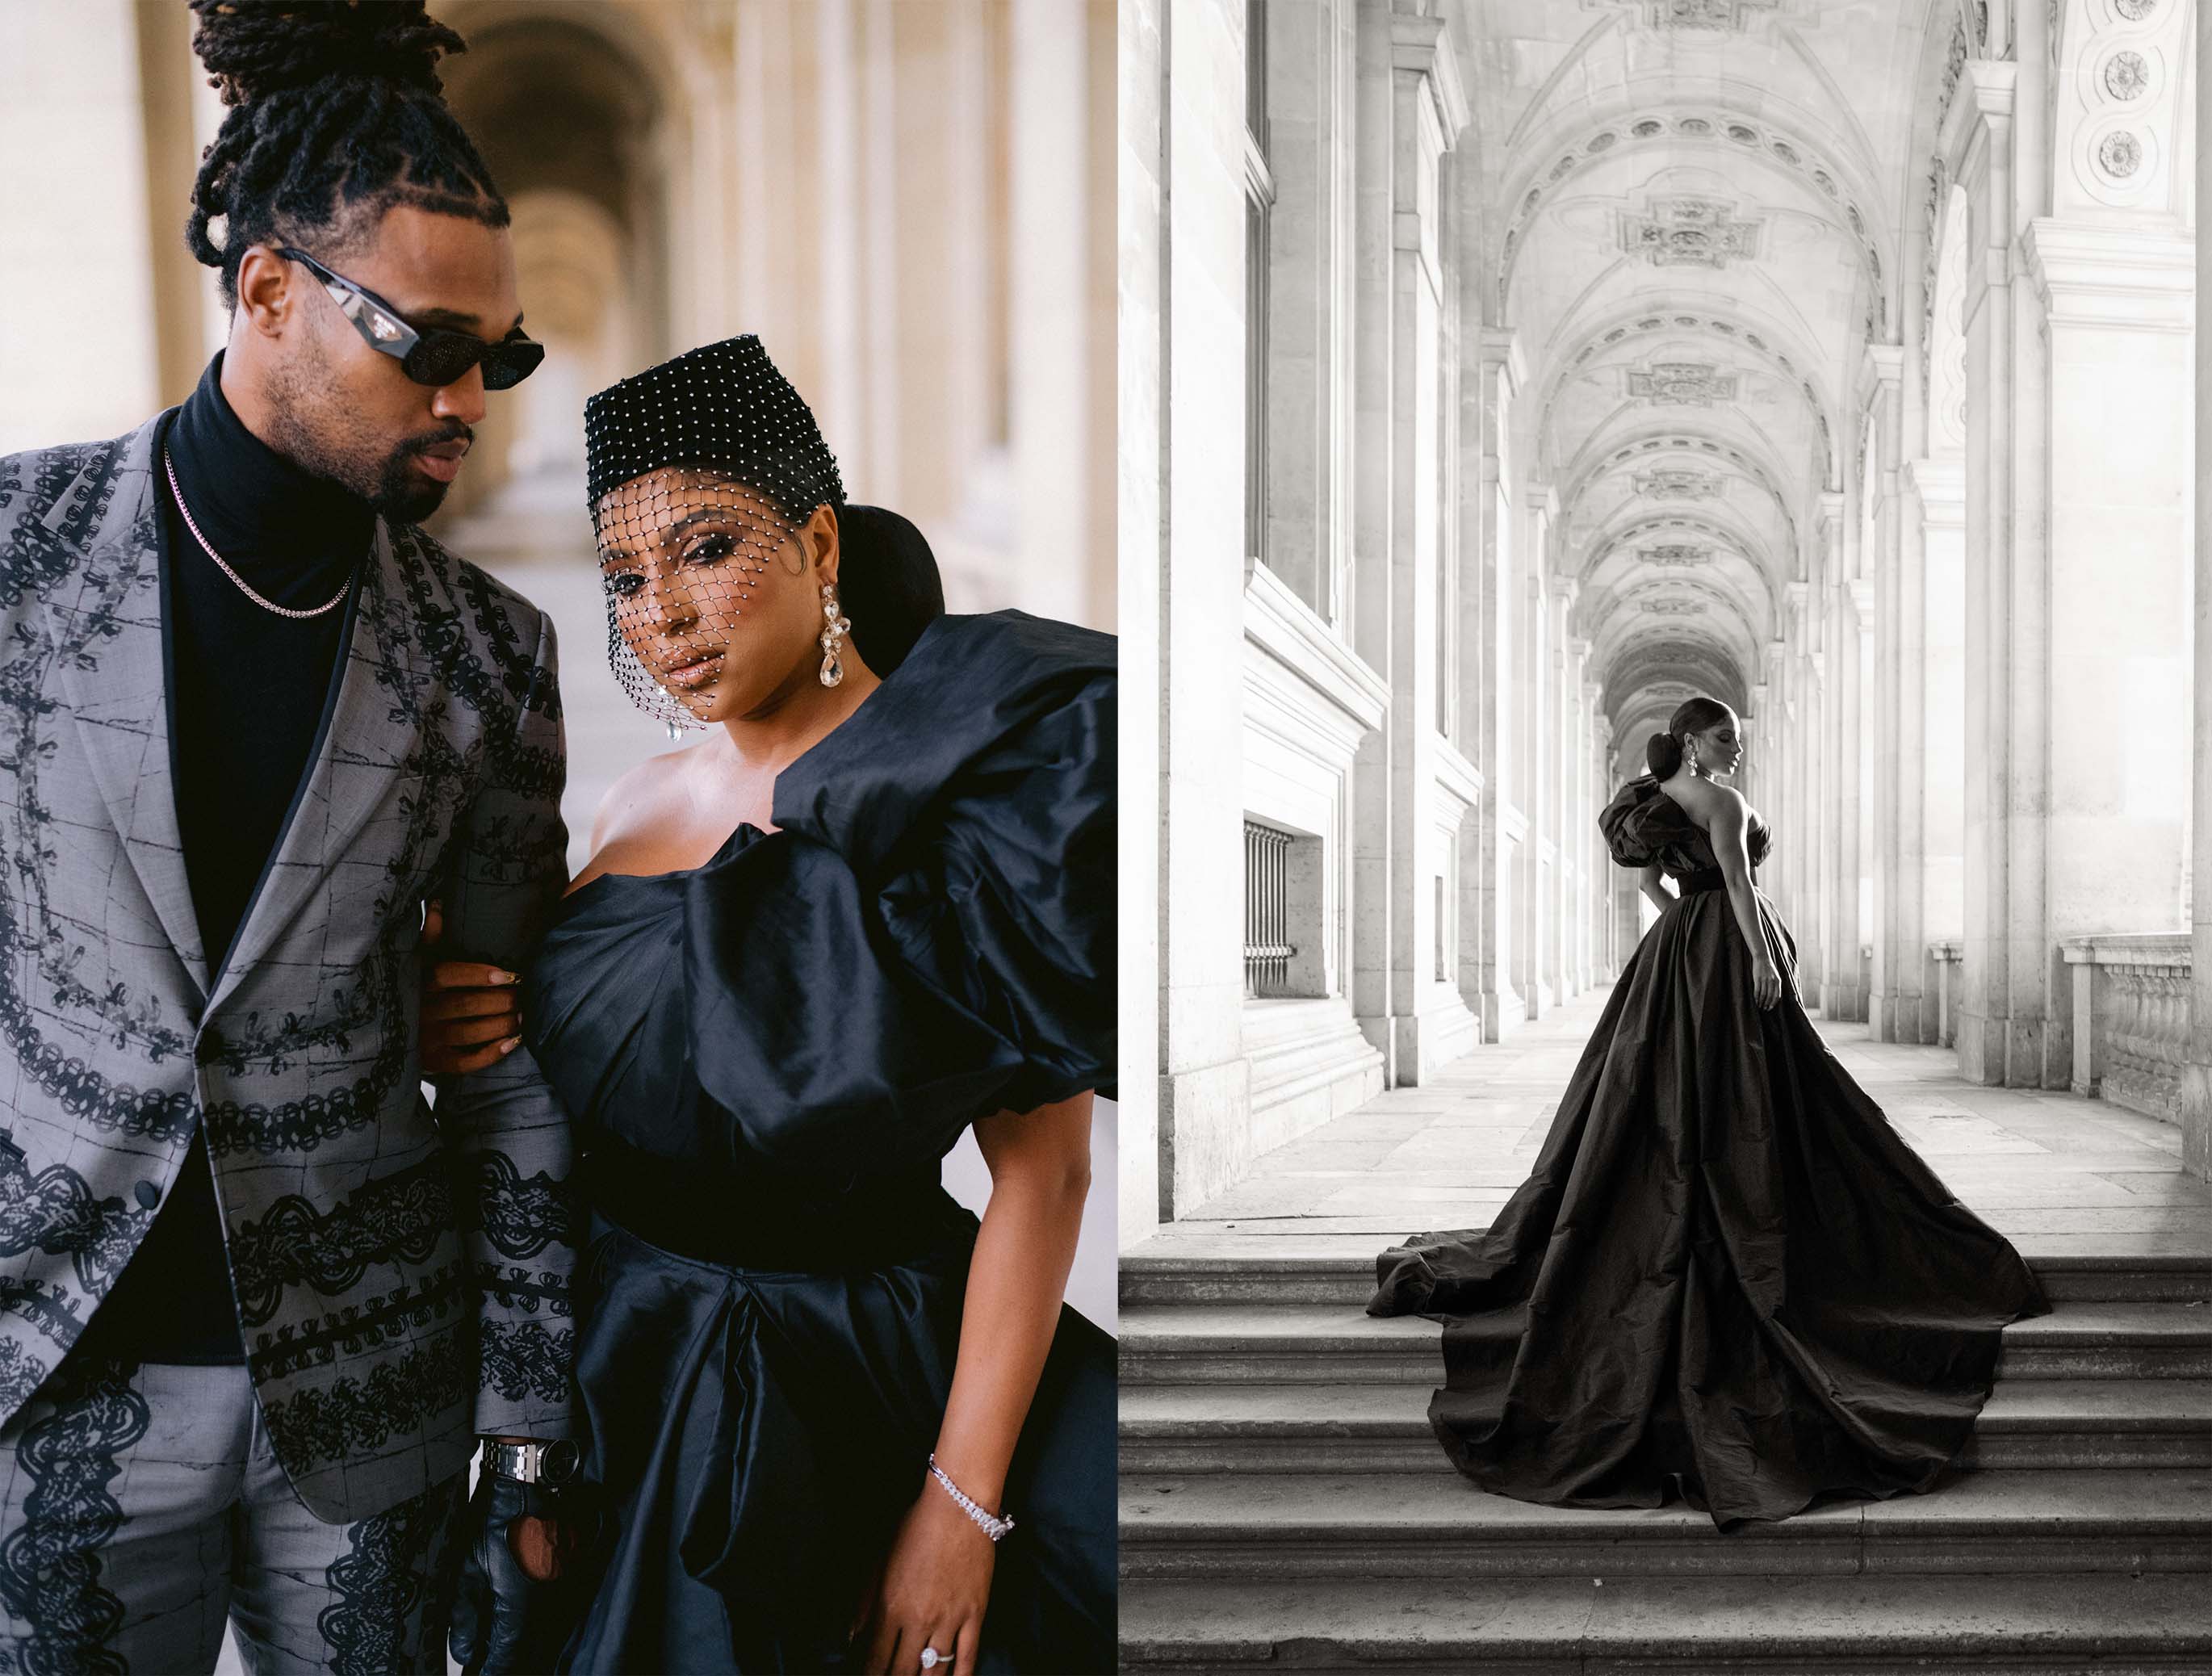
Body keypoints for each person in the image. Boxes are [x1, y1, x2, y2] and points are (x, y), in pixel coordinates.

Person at [0, 3, 581, 1670]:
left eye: (505, 357)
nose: (471, 395)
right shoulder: (16, 560)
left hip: (372, 1408)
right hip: (52, 1381)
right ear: (267, 292)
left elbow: (505, 1067)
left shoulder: (489, 654)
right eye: (429, 343)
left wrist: (525, 1424)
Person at [421, 334, 1116, 1672]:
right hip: (621, 1368)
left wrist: (960, 1509)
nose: (662, 614)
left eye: (704, 550)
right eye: (627, 576)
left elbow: (1047, 1180)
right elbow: (590, 1076)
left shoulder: (968, 799)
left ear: (819, 543)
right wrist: (479, 1012)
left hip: (852, 1369)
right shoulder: (633, 804)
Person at [1369, 695, 2050, 1529]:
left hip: (1677, 953)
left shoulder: (1658, 800)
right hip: (1729, 949)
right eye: (1723, 737)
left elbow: (1658, 884)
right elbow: (1737, 882)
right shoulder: (1721, 802)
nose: (1735, 748)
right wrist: (1764, 959)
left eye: (1736, 738)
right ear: (1691, 741)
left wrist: (1684, 927)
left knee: (1652, 1095)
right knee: (1761, 1088)